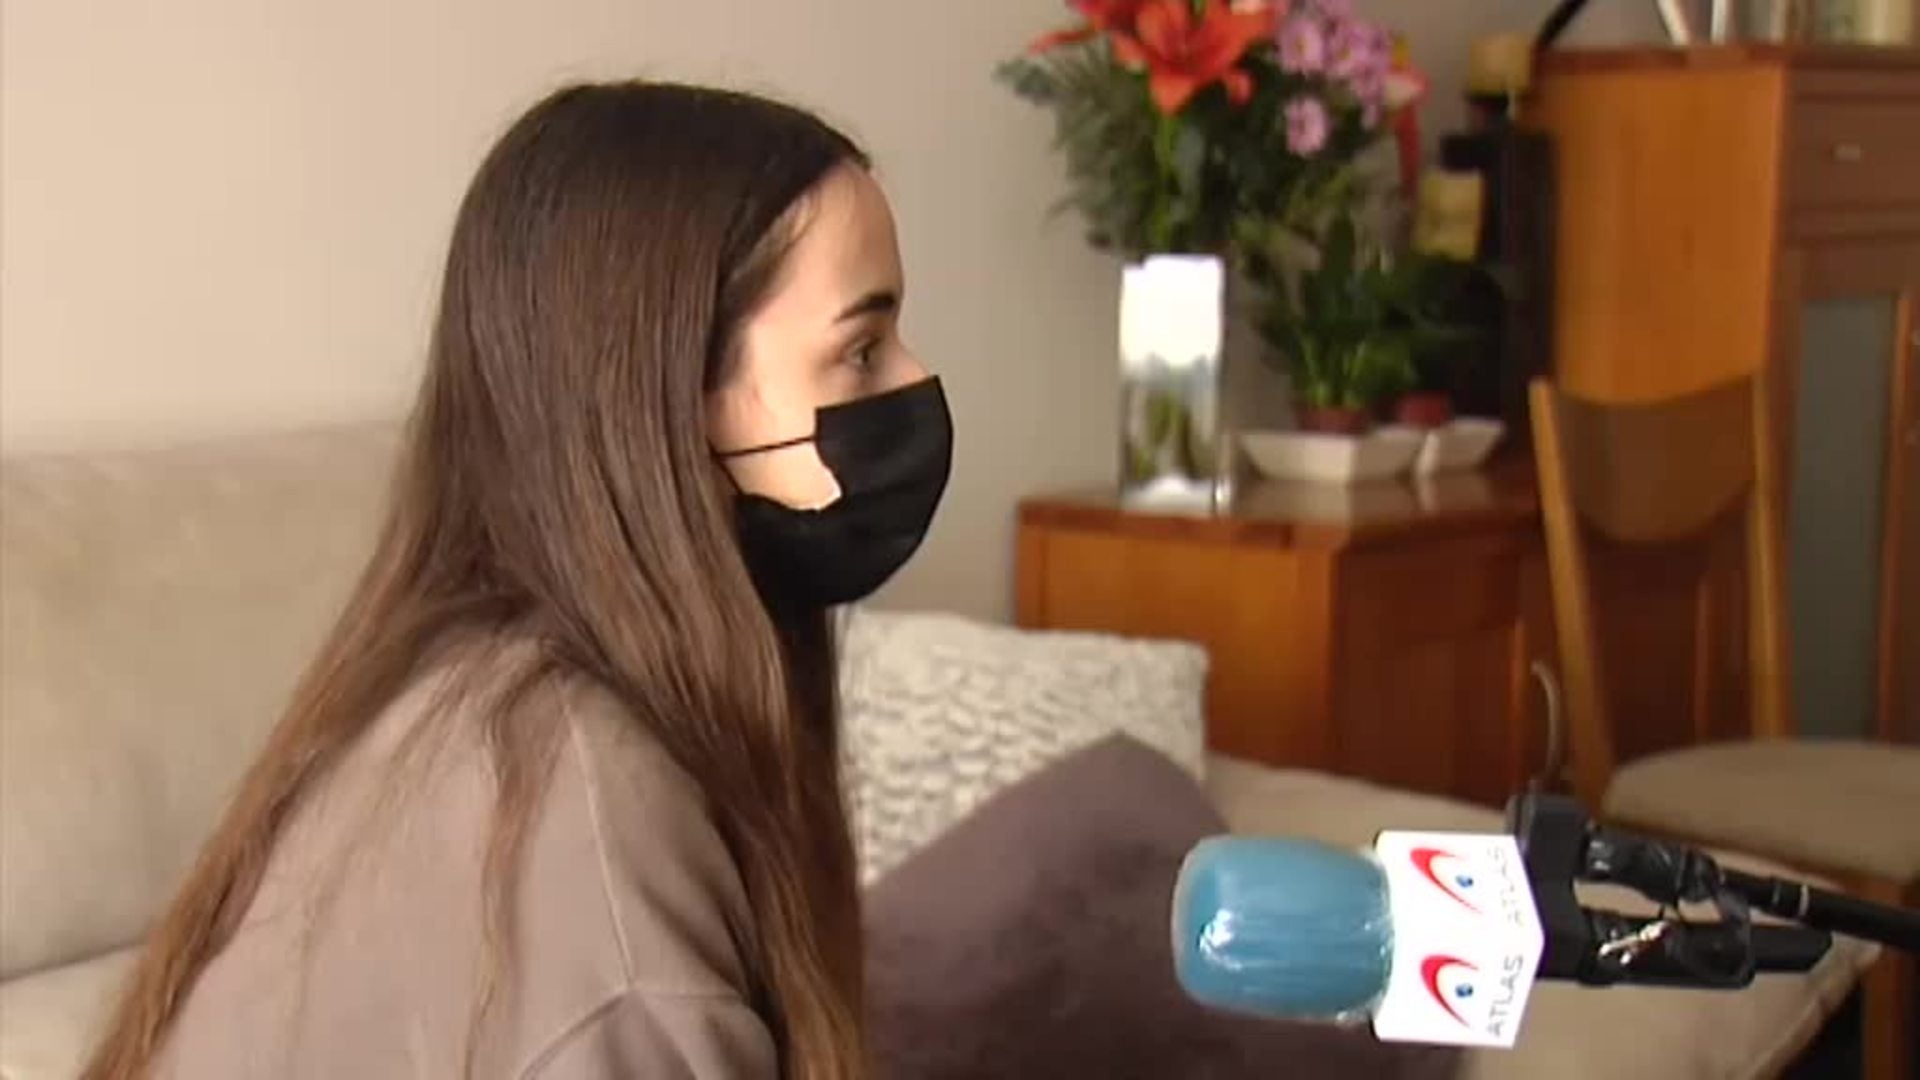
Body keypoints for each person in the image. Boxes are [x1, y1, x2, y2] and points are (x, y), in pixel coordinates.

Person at [81, 80, 951, 1080]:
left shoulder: (500, 689)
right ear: (664, 398)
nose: (915, 383)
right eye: (861, 349)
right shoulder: (591, 827)